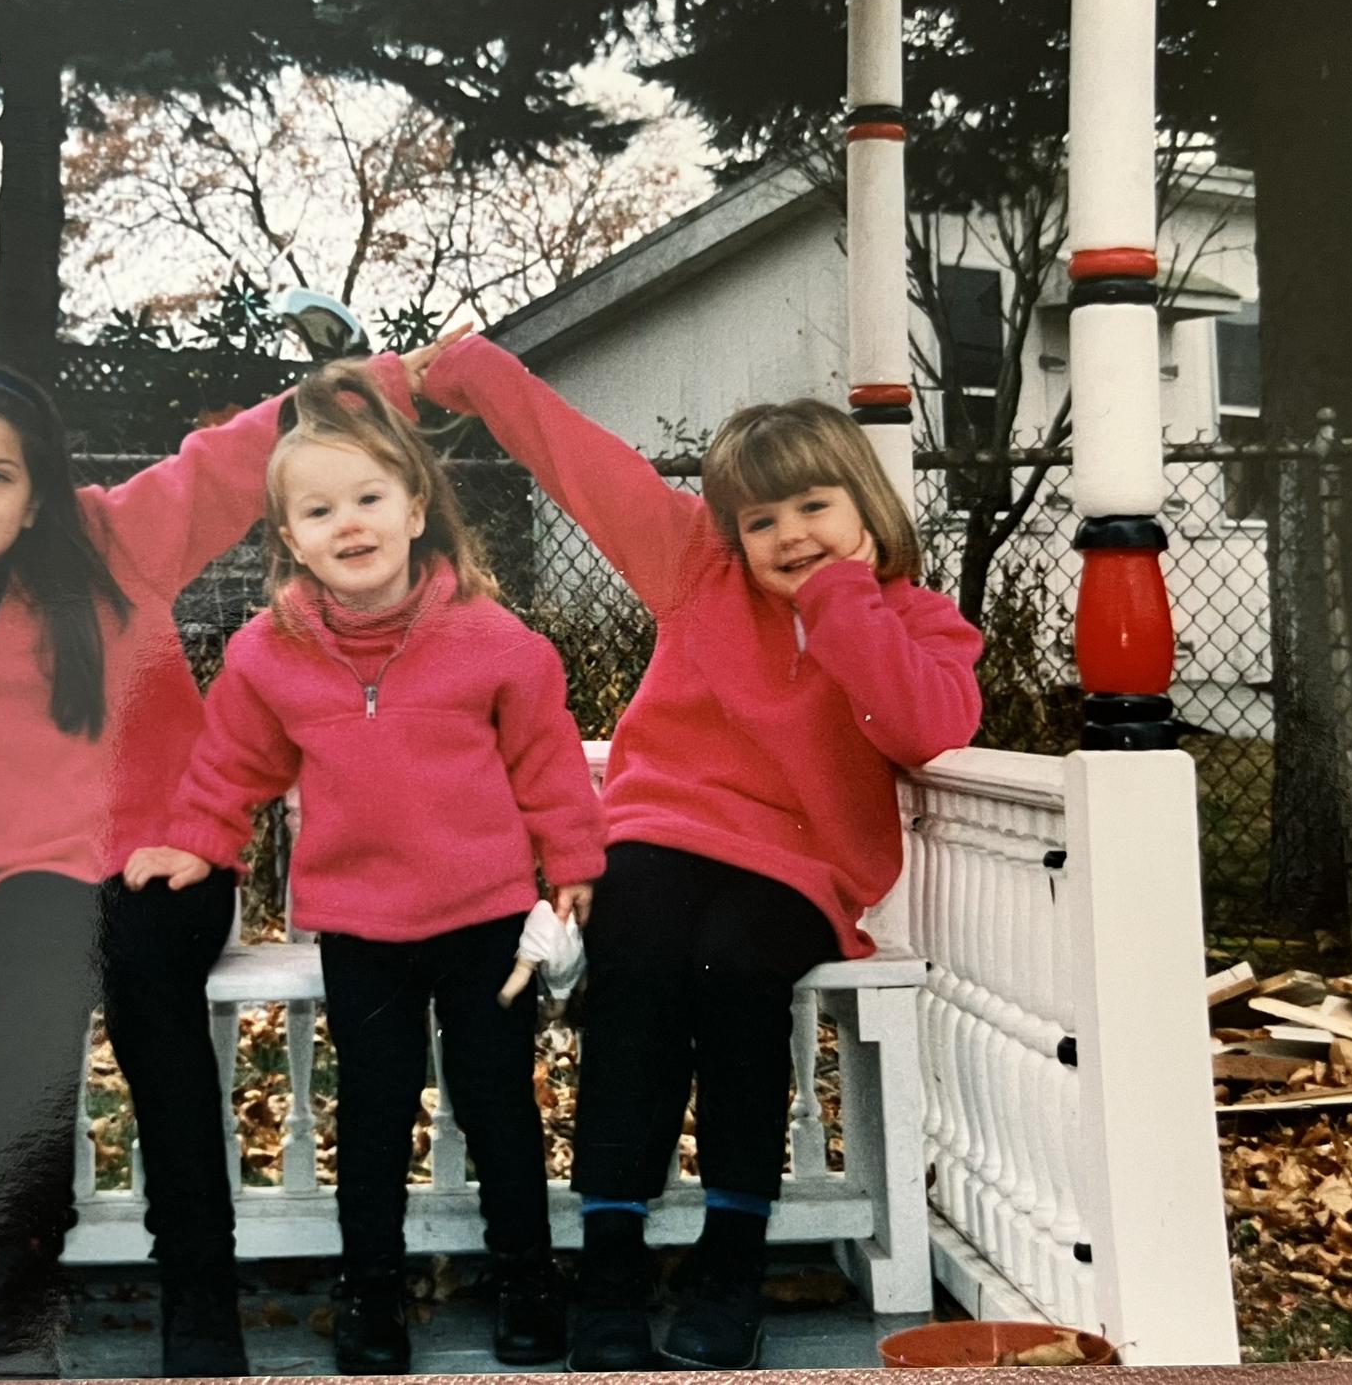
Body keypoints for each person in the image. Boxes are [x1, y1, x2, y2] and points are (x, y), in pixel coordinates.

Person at [0, 350, 421, 1378]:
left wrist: (397, 377)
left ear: (38, 495)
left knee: (144, 985)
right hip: (11, 882)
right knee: (44, 988)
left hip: (166, 857)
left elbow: (230, 458)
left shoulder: (111, 540)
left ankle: (198, 1296)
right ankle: (24, 1288)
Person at [419, 335, 983, 1371]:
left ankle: (730, 1268)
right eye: (760, 520)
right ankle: (611, 1266)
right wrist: (474, 371)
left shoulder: (915, 622)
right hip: (656, 834)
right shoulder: (695, 570)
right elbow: (586, 467)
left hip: (797, 869)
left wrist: (837, 601)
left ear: (865, 507)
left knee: (731, 973)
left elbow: (920, 725)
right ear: (730, 532)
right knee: (635, 967)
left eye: (812, 507)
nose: (788, 534)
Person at [125, 360, 606, 1374]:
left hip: (484, 919)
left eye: (368, 498)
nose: (347, 523)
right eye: (317, 508)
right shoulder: (269, 655)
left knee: (495, 1103)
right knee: (374, 1112)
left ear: (416, 507)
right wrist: (196, 844)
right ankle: (370, 1293)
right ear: (287, 535)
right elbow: (230, 770)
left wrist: (571, 863)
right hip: (360, 928)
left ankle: (526, 1279)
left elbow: (548, 762)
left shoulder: (493, 642)